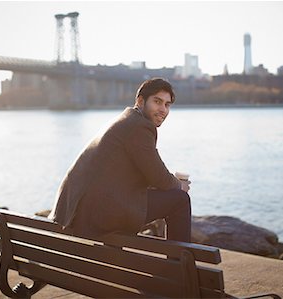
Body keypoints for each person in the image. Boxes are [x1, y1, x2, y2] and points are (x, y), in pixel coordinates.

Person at [48, 78, 191, 242]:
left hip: (76, 212)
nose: (163, 110)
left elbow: (149, 174)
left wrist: (169, 183)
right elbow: (160, 177)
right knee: (180, 200)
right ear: (140, 101)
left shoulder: (125, 120)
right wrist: (180, 186)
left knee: (155, 196)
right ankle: (179, 264)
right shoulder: (140, 127)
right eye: (157, 102)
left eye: (167, 105)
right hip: (97, 215)